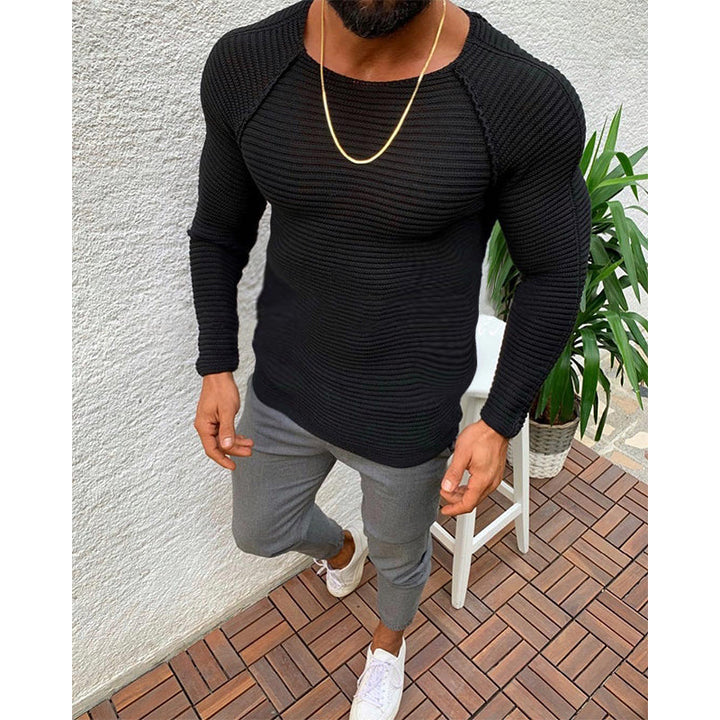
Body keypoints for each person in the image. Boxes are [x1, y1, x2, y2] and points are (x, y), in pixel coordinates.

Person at [187, 0, 591, 717]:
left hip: (410, 409)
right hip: (286, 382)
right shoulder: (248, 65)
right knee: (259, 529)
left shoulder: (520, 97)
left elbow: (555, 271)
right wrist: (216, 364)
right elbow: (219, 231)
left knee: (402, 556)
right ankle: (342, 552)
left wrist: (498, 420)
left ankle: (387, 646)